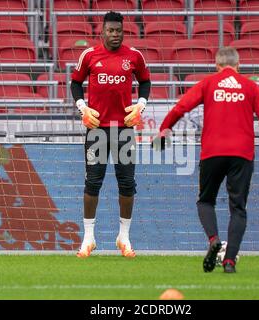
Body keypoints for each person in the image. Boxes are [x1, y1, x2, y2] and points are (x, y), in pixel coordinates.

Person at [153, 47, 259, 273]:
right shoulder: (251, 87)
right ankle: (230, 261)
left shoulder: (209, 83)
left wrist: (165, 128)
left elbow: (181, 106)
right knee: (238, 208)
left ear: (217, 65)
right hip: (242, 155)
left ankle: (213, 239)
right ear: (239, 65)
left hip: (212, 153)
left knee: (205, 201)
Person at [70, 11, 151, 258]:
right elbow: (75, 83)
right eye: (111, 31)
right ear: (102, 31)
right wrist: (82, 108)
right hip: (96, 129)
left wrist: (141, 105)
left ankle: (124, 237)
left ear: (123, 32)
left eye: (119, 31)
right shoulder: (89, 55)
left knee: (127, 184)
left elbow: (146, 82)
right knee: (93, 183)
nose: (115, 35)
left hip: (124, 130)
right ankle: (88, 238)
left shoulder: (134, 56)